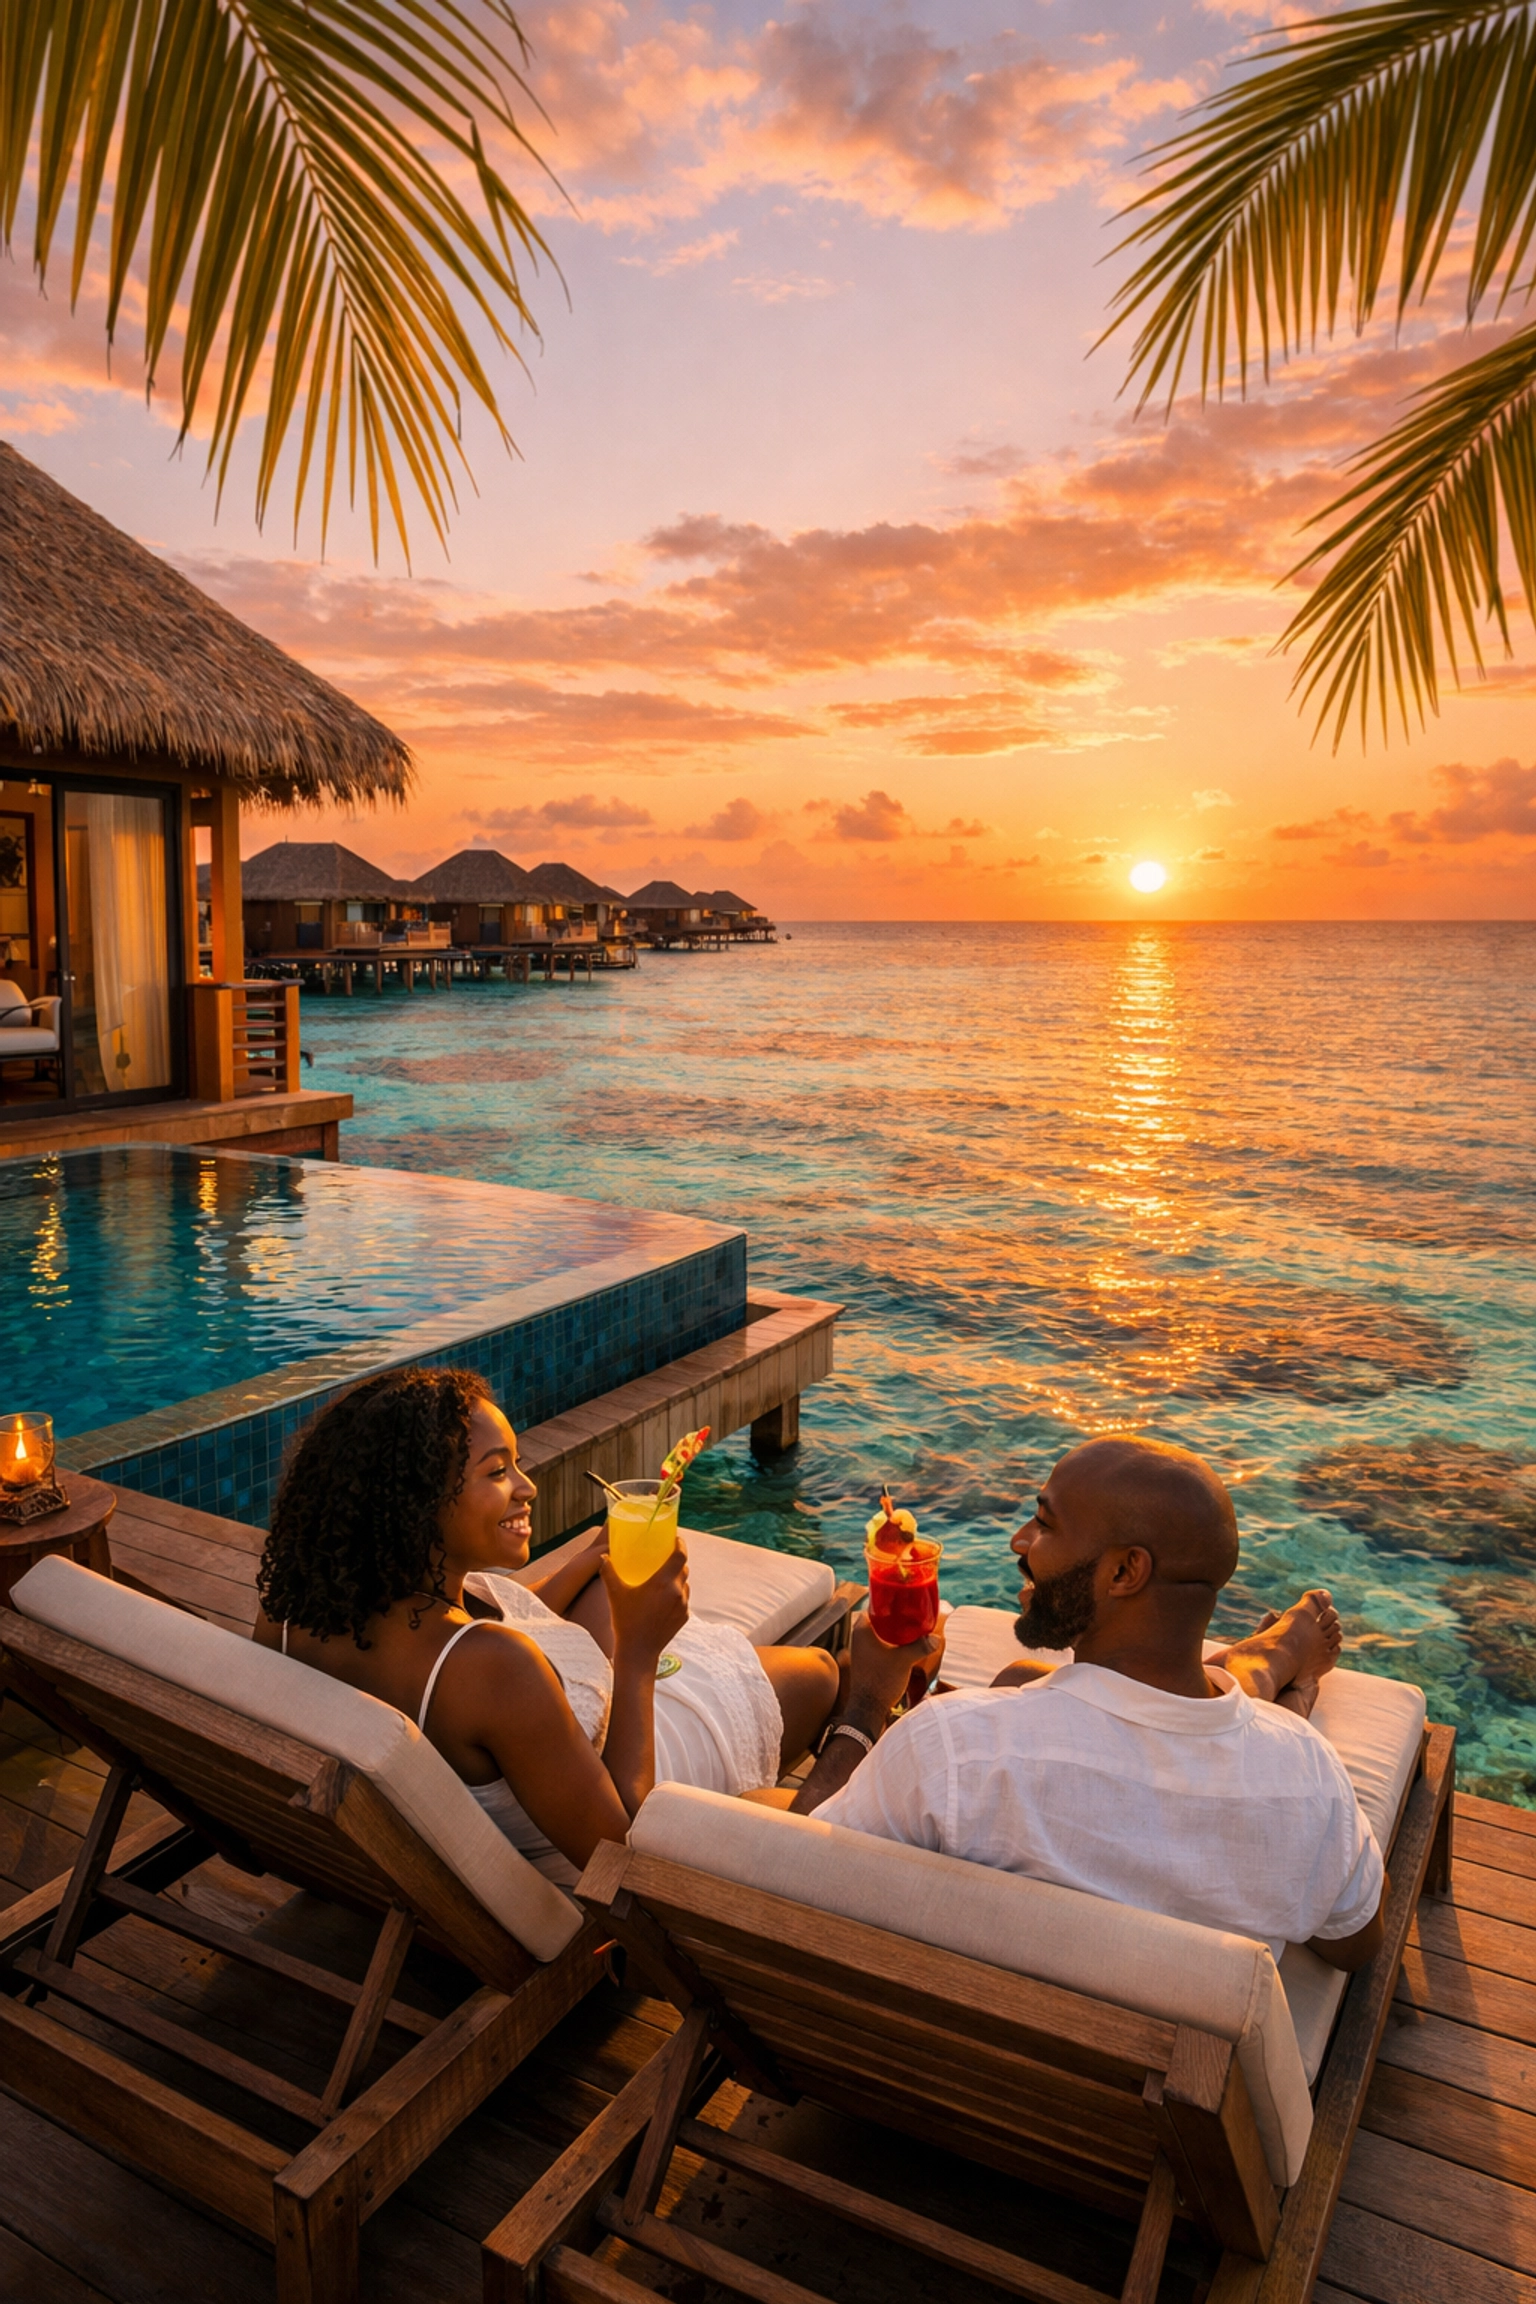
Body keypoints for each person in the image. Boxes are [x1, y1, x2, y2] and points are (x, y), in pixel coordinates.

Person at [253, 1367, 920, 1886]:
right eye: (497, 1472)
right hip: (620, 1792)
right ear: (417, 1503)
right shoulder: (492, 1669)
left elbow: (487, 1617)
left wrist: (584, 1562)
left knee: (619, 1592)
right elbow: (624, 1849)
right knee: (826, 1675)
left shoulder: (295, 1615)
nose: (527, 1486)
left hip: (542, 1767)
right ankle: (870, 1704)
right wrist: (637, 1652)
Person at [787, 1435, 1387, 1973]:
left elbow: (789, 1881)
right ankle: (1268, 1665)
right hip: (1164, 2091)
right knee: (1022, 1676)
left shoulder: (956, 1749)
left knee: (762, 1804)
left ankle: (1268, 1663)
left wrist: (866, 1703)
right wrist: (1284, 1733)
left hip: (942, 2074)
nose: (1019, 1541)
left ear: (1126, 1571)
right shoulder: (1306, 1777)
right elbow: (1354, 1943)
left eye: (1044, 1525)